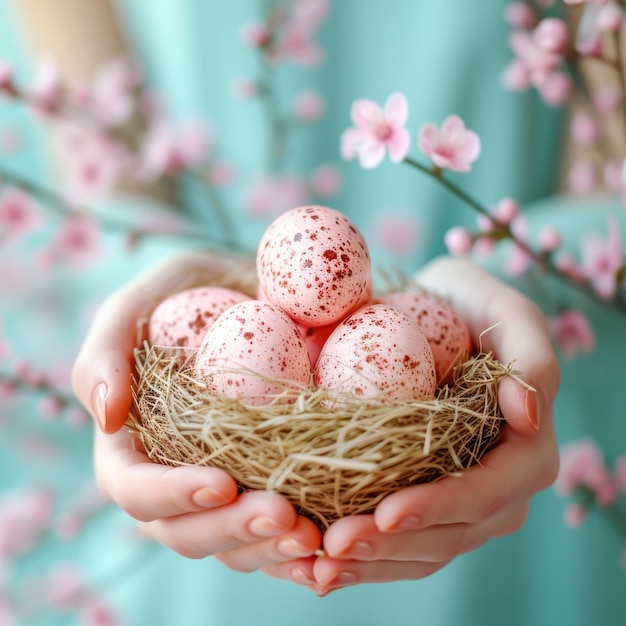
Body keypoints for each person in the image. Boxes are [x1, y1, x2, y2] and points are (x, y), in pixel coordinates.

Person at [1, 1, 624, 624]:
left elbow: (610, 162)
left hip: (491, 452)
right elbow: (102, 169)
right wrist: (155, 276)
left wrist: (519, 282)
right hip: (215, 479)